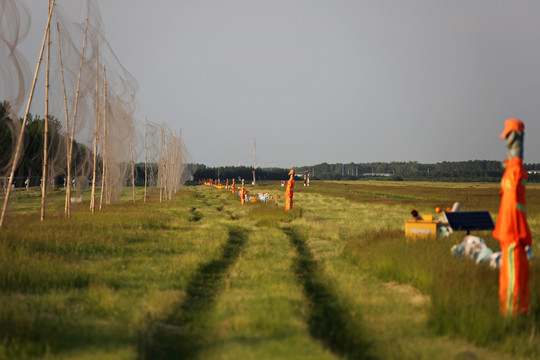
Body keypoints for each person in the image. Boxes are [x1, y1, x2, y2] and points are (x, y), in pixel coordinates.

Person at [493, 118, 532, 317]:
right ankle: (511, 315)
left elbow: (516, 164)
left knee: (515, 278)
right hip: (510, 232)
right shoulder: (512, 170)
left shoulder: (515, 171)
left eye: (508, 135)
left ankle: (512, 318)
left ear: (515, 136)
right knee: (510, 277)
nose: (506, 139)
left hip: (513, 233)